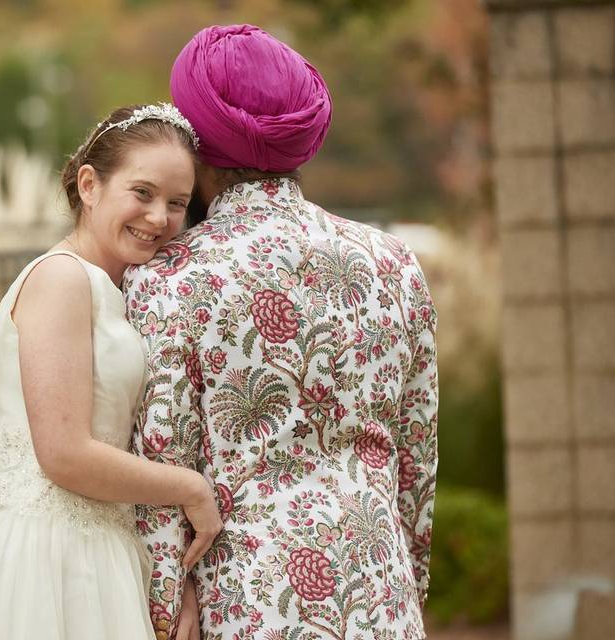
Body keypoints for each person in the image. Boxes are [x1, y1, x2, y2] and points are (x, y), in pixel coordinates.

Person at [124, 25, 438, 640]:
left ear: (198, 139)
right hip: (382, 592)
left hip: (244, 601)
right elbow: (416, 463)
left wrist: (165, 605)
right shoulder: (393, 263)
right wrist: (407, 582)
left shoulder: (171, 278)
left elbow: (163, 459)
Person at [0, 103, 223, 640]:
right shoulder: (60, 280)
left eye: (177, 203)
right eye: (142, 193)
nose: (159, 217)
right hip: (48, 563)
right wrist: (192, 489)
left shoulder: (119, 292)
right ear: (89, 185)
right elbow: (63, 452)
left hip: (107, 555)